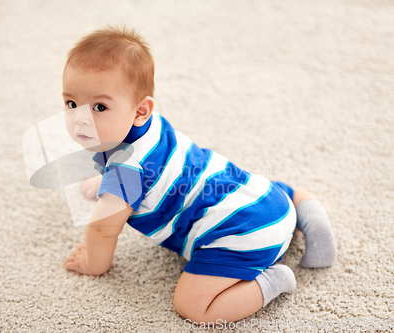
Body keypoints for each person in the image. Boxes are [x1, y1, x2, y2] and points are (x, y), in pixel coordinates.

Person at [64, 25, 336, 323]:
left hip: (241, 236)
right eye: (71, 103)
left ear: (140, 110)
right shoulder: (150, 126)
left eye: (99, 107)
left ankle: (272, 281)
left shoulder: (125, 172)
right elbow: (137, 171)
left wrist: (93, 262)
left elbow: (103, 229)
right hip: (269, 199)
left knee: (192, 306)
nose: (80, 118)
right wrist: (107, 180)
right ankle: (308, 213)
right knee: (267, 188)